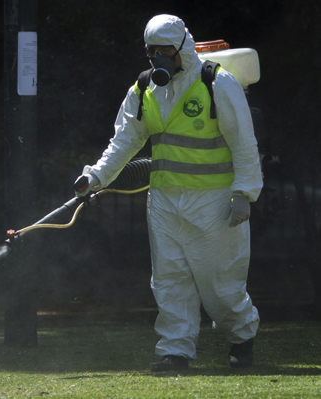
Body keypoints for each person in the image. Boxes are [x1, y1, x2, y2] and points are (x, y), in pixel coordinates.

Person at [73, 14, 262, 371]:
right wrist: (95, 176)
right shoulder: (145, 89)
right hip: (163, 201)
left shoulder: (216, 84)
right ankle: (175, 352)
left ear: (182, 50)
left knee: (220, 282)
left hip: (214, 200)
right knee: (169, 279)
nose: (159, 59)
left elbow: (244, 144)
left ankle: (241, 337)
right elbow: (124, 141)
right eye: (152, 52)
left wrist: (245, 193)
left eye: (165, 52)